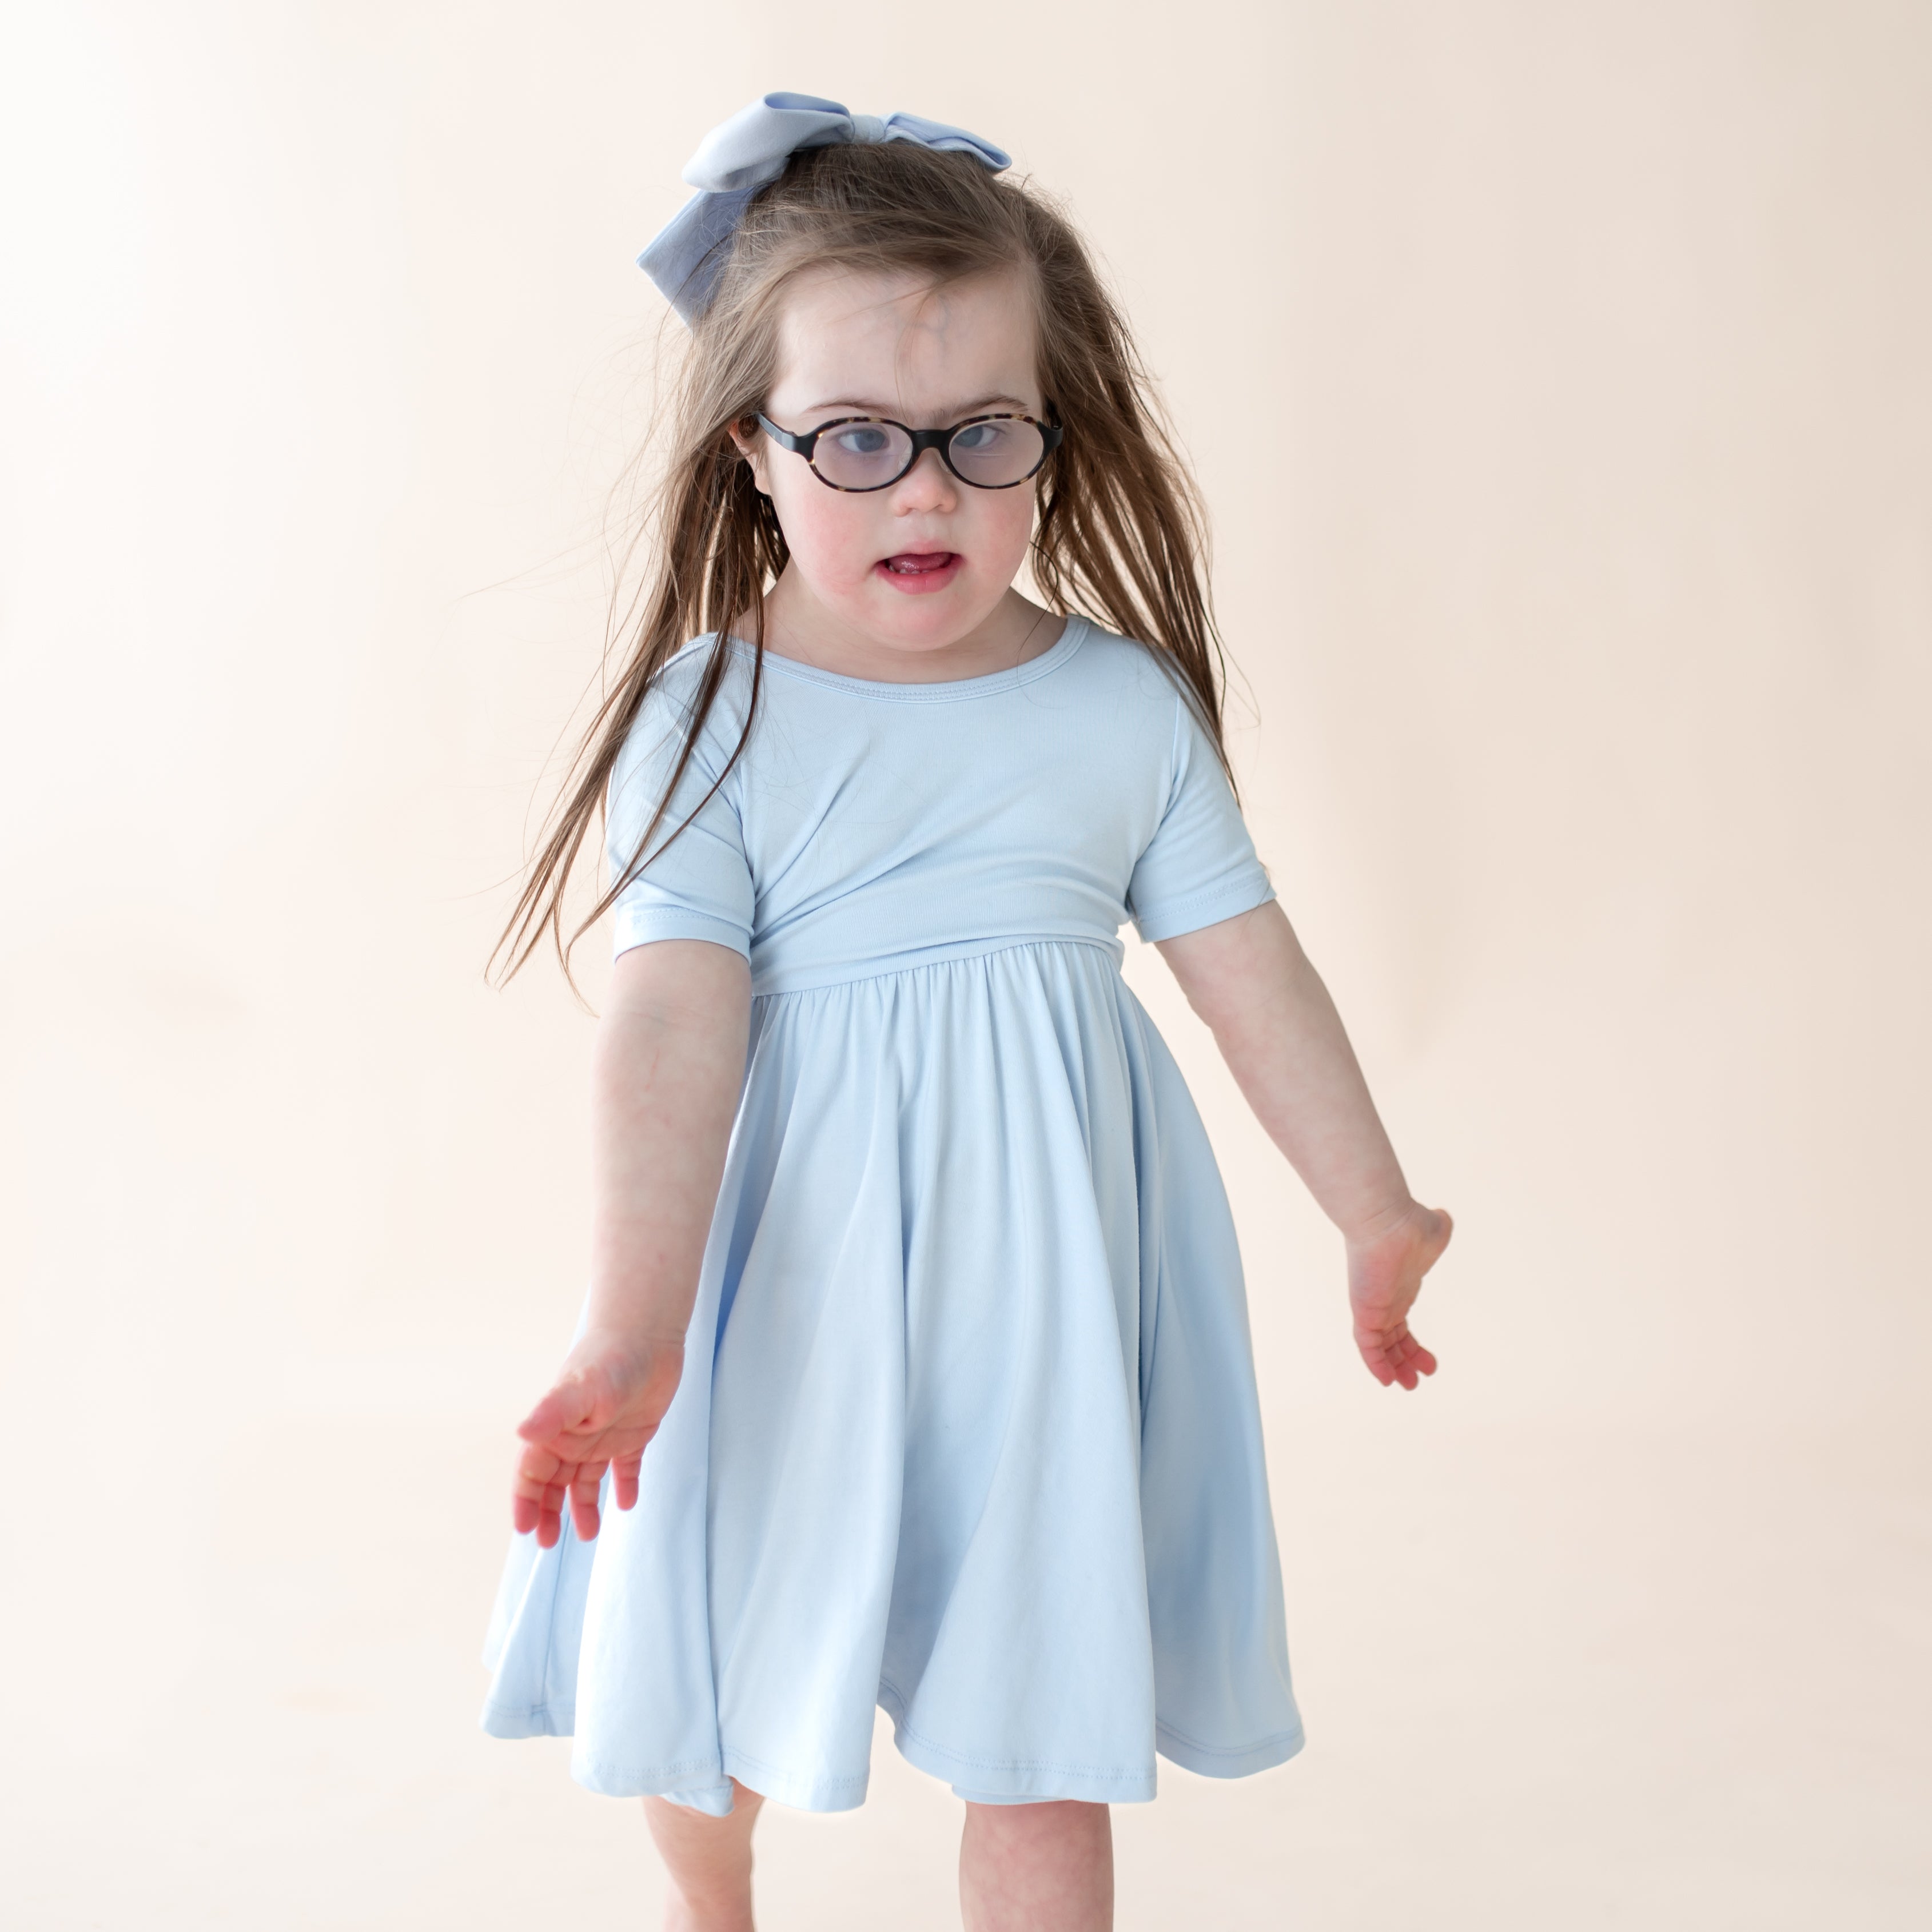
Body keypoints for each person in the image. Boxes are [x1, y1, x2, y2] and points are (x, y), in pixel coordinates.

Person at [480, 91, 1452, 1932]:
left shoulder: (1116, 710)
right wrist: (632, 1324)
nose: (922, 491)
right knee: (717, 1668)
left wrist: (1371, 1207)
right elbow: (669, 1021)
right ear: (750, 450)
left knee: (1044, 1732)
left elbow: (1252, 970)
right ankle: (710, 1902)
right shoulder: (711, 714)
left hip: (1049, 1298)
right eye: (854, 438)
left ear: (1049, 439)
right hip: (787, 1282)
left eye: (979, 435)